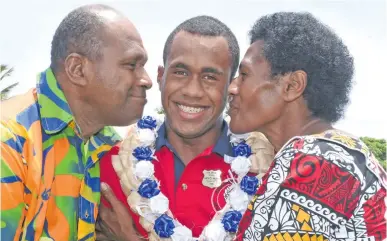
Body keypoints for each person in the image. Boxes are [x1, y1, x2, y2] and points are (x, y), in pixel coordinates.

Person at [98, 15, 275, 240]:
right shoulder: (111, 166)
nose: (192, 91)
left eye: (210, 77)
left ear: (231, 85)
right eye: (180, 72)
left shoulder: (268, 174)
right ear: (161, 77)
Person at [226, 12, 387, 241]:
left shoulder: (317, 162)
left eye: (244, 75)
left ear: (292, 85)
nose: (232, 88)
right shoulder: (334, 153)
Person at [0, 4, 151, 241]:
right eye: (131, 65)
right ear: (77, 69)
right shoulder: (10, 141)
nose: (146, 80)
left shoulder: (111, 149)